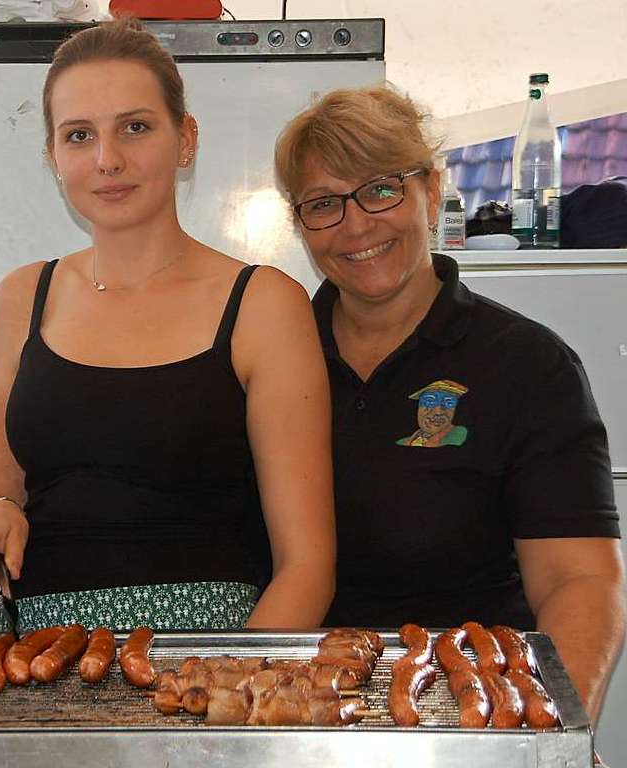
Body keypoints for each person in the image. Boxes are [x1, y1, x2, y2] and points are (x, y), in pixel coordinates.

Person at [0, 18, 335, 632]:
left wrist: (224, 699)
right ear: (53, 156)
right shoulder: (21, 298)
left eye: (135, 127)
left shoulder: (263, 304)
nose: (108, 159)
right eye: (79, 135)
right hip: (40, 660)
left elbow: (307, 567)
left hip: (211, 660)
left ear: (185, 139)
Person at [273, 84, 625, 722]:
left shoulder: (527, 364)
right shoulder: (268, 356)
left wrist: (550, 738)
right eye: (324, 203)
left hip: (470, 713)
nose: (356, 225)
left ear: (431, 191)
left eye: (382, 188)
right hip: (296, 712)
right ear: (299, 223)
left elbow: (580, 581)